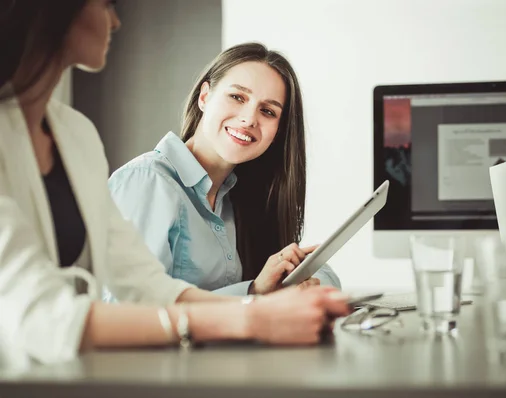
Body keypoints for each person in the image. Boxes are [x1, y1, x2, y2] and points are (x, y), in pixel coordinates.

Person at [0, 0, 349, 367]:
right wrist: (252, 314)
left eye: (267, 110)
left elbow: (149, 285)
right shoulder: (147, 180)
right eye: (105, 4)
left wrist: (265, 303)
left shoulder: (76, 135)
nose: (116, 21)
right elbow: (43, 319)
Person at [108, 43, 341, 295]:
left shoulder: (237, 198)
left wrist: (295, 279)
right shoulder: (148, 181)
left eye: (267, 111)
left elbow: (326, 277)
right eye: (237, 97)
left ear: (278, 131)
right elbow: (132, 313)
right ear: (204, 97)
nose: (250, 118)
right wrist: (253, 293)